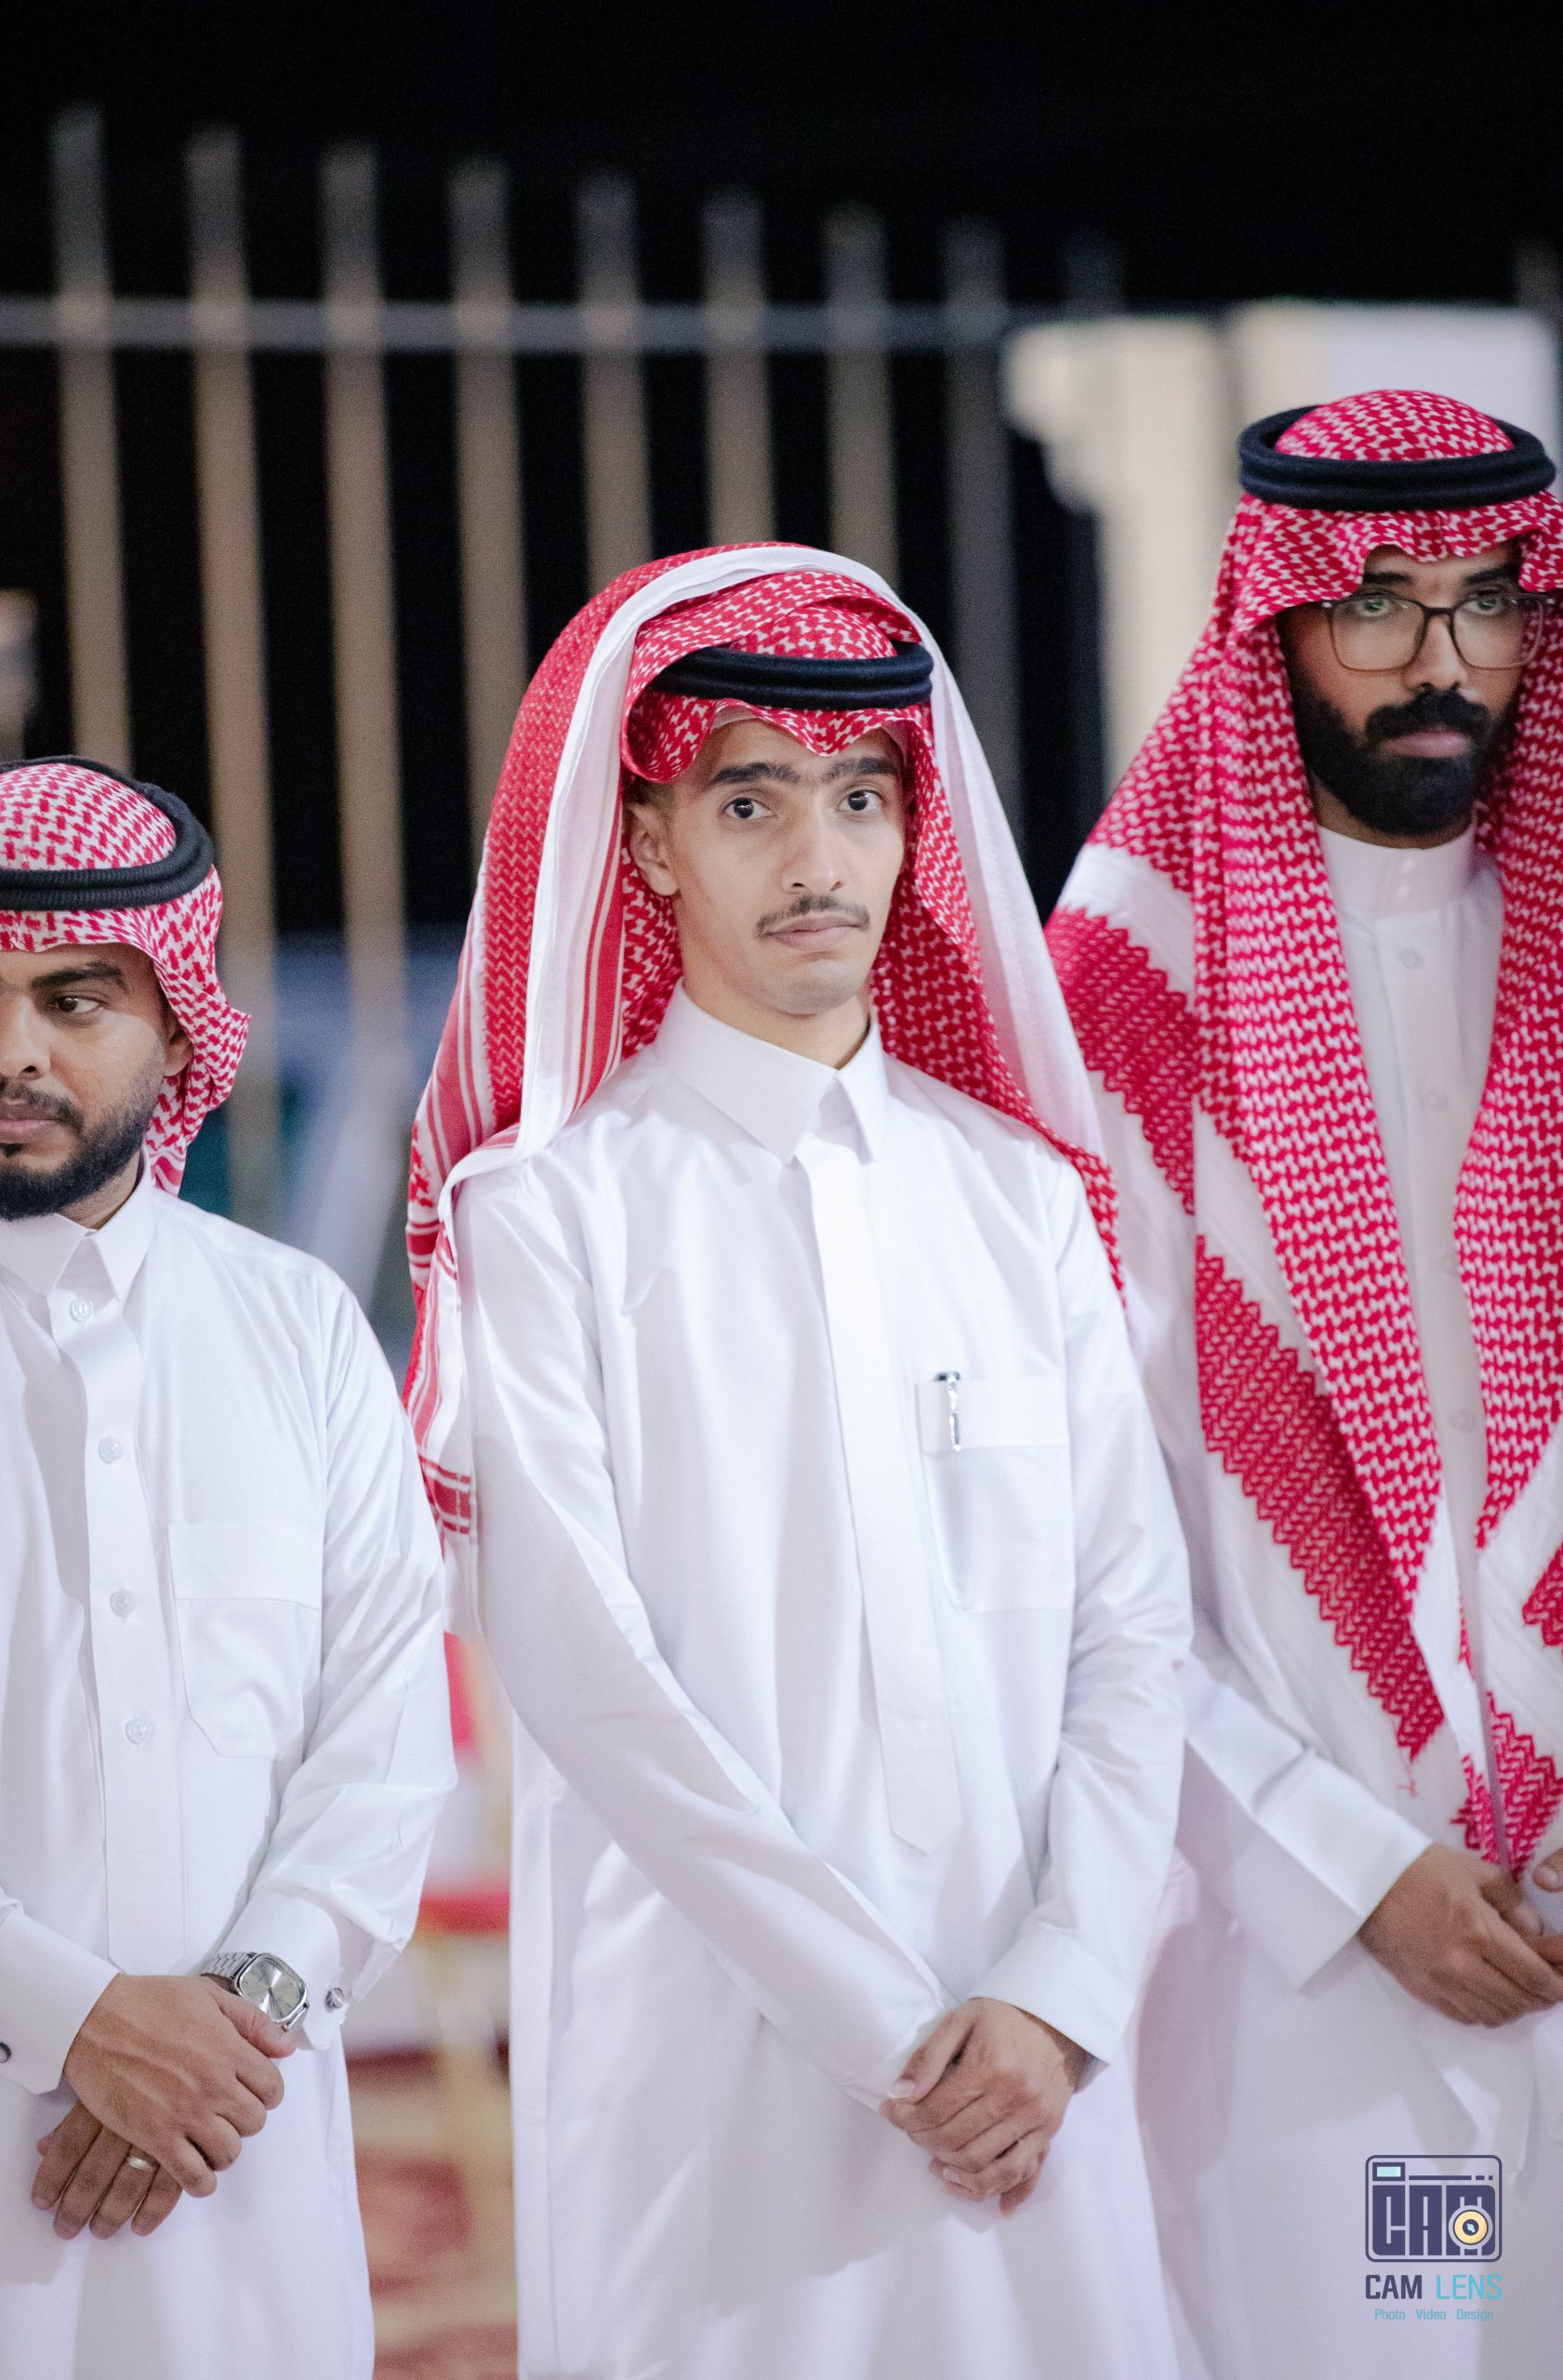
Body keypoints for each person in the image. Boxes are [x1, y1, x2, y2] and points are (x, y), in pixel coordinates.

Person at [405, 548, 1190, 2379]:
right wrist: (892, 2031)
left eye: (859, 798)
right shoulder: (549, 1211)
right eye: (749, 802)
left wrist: (1060, 1989)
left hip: (1037, 2055)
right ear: (651, 843)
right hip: (709, 2056)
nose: (817, 858)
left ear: (916, 835)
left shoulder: (1017, 1196)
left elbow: (1133, 1627)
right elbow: (583, 1673)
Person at [1048, 390, 1563, 2377]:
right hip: (1315, 1955)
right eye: (1376, 603)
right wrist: (1348, 1872)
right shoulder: (1120, 1010)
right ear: (1271, 621)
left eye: (1487, 601)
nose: (1440, 659)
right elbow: (1077, 1562)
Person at [0, 757, 455, 2379]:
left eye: (74, 998)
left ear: (180, 1031)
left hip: (238, 2149)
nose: (10, 1050)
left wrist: (228, 2025)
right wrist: (75, 2020)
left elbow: (386, 1736)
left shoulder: (296, 1327)